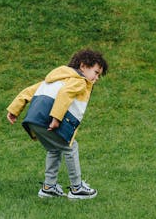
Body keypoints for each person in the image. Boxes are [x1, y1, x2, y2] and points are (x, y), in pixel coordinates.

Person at [6, 49, 108, 199]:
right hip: (48, 120)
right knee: (71, 147)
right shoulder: (79, 81)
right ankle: (77, 188)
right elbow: (65, 95)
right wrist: (56, 118)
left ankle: (49, 187)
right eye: (96, 72)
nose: (97, 77)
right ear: (83, 66)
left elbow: (29, 91)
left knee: (54, 149)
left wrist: (14, 110)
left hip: (33, 120)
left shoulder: (56, 78)